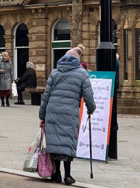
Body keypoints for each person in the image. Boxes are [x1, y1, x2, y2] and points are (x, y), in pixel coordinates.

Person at [39, 47, 96, 185]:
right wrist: (91, 108)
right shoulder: (82, 74)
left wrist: (42, 115)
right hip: (70, 111)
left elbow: (46, 95)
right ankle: (68, 175)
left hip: (52, 110)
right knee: (68, 140)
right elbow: (88, 95)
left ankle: (57, 174)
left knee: (55, 141)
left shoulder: (55, 72)